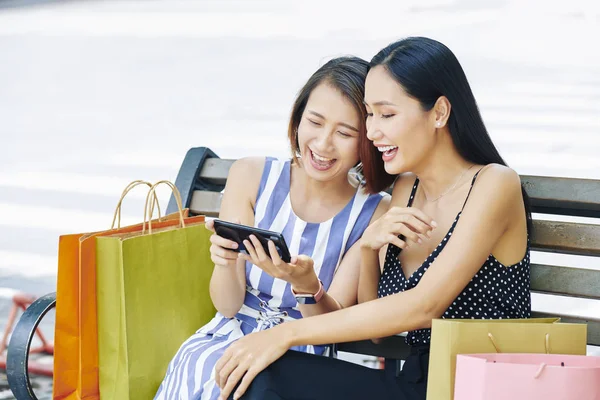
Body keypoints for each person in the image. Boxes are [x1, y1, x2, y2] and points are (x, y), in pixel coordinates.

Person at [213, 36, 533, 400]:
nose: (372, 131)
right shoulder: (407, 189)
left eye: (387, 114)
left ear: (440, 113)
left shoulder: (494, 184)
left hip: (485, 387)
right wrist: (367, 249)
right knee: (265, 375)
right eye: (369, 114)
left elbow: (423, 306)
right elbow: (379, 332)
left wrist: (286, 332)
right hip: (417, 383)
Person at [154, 56, 389, 400]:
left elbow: (332, 327)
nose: (323, 144)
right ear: (298, 119)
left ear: (365, 141)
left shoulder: (372, 211)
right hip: (225, 337)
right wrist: (224, 261)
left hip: (300, 356)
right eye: (315, 122)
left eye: (344, 133)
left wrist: (306, 286)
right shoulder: (250, 175)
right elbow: (228, 306)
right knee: (206, 367)